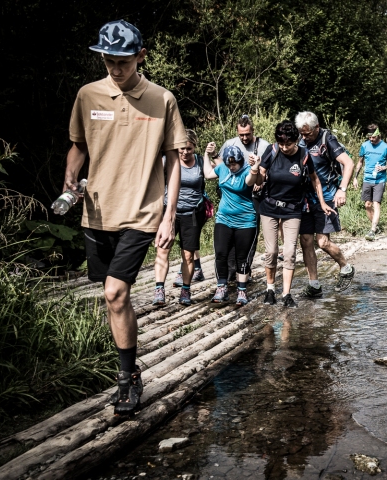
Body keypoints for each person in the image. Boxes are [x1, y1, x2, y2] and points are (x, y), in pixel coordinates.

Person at [65, 20, 187, 415]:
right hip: (97, 212)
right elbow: (78, 147)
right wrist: (70, 178)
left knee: (116, 292)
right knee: (114, 299)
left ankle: (126, 379)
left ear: (140, 56)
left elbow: (174, 160)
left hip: (142, 211)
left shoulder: (161, 99)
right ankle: (131, 368)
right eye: (107, 60)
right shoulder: (88, 95)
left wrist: (168, 216)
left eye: (122, 60)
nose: (115, 68)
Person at [256, 120, 333, 308]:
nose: (284, 147)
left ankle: (286, 294)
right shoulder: (272, 151)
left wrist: (322, 202)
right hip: (270, 208)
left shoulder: (304, 155)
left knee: (290, 252)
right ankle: (270, 289)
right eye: (281, 143)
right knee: (272, 252)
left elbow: (315, 180)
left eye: (288, 144)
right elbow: (260, 178)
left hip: (293, 209)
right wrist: (257, 170)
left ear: (296, 140)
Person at [295, 111, 356, 296]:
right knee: (305, 240)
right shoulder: (299, 140)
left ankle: (346, 267)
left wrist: (342, 189)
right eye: (302, 133)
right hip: (305, 197)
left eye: (307, 133)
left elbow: (349, 163)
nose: (304, 137)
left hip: (327, 196)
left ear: (316, 127)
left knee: (322, 242)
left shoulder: (326, 138)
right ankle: (314, 284)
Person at [152, 129, 207, 307]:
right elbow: (154, 179)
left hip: (191, 214)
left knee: (188, 256)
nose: (184, 152)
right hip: (169, 212)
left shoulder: (199, 161)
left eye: (189, 149)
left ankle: (186, 289)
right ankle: (159, 289)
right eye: (181, 149)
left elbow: (215, 172)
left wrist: (212, 156)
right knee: (162, 250)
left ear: (194, 148)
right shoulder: (168, 160)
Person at [214, 115, 271, 281]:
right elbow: (220, 165)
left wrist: (261, 178)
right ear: (237, 132)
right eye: (241, 135)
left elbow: (272, 169)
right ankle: (231, 273)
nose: (244, 138)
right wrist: (212, 156)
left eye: (247, 134)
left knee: (247, 238)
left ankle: (244, 270)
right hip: (234, 195)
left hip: (256, 196)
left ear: (253, 131)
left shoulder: (263, 146)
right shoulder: (230, 145)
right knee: (229, 237)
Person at [202, 145, 259, 305]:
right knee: (220, 253)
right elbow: (207, 174)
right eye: (229, 164)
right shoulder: (223, 168)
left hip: (245, 221)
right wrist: (206, 155)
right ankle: (222, 287)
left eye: (235, 164)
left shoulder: (247, 170)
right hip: (224, 219)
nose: (232, 167)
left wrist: (255, 167)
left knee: (242, 257)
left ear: (240, 161)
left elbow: (250, 182)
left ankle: (242, 290)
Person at [352, 124, 387, 241]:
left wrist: (384, 168)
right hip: (367, 179)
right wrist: (355, 177)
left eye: (373, 137)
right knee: (367, 205)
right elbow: (360, 162)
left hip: (380, 180)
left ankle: (372, 230)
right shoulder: (364, 146)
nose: (371, 139)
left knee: (376, 204)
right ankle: (375, 226)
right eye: (369, 137)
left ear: (378, 134)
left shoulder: (385, 147)